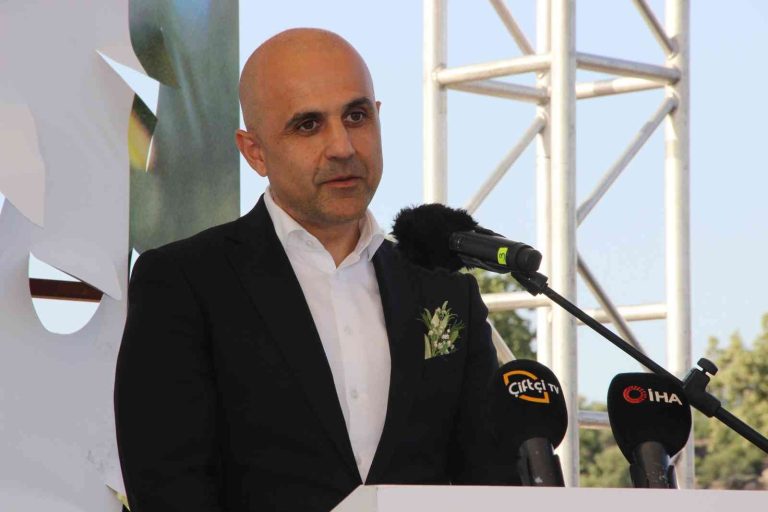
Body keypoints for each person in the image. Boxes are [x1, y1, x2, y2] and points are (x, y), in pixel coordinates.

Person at [114, 28, 510, 512]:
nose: (342, 147)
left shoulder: (444, 291)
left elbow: (491, 482)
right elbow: (169, 491)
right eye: (308, 125)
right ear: (255, 152)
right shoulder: (184, 284)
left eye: (356, 116)